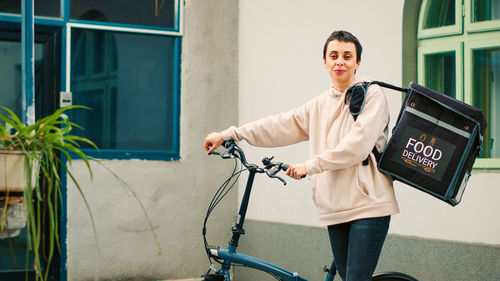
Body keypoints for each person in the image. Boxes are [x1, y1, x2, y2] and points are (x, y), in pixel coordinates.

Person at [203, 30, 399, 281]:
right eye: (334, 55)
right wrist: (230, 134)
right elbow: (279, 125)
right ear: (325, 62)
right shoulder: (318, 105)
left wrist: (311, 165)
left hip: (369, 206)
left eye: (347, 56)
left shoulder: (372, 94)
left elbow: (357, 146)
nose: (340, 61)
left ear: (357, 62)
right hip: (335, 207)